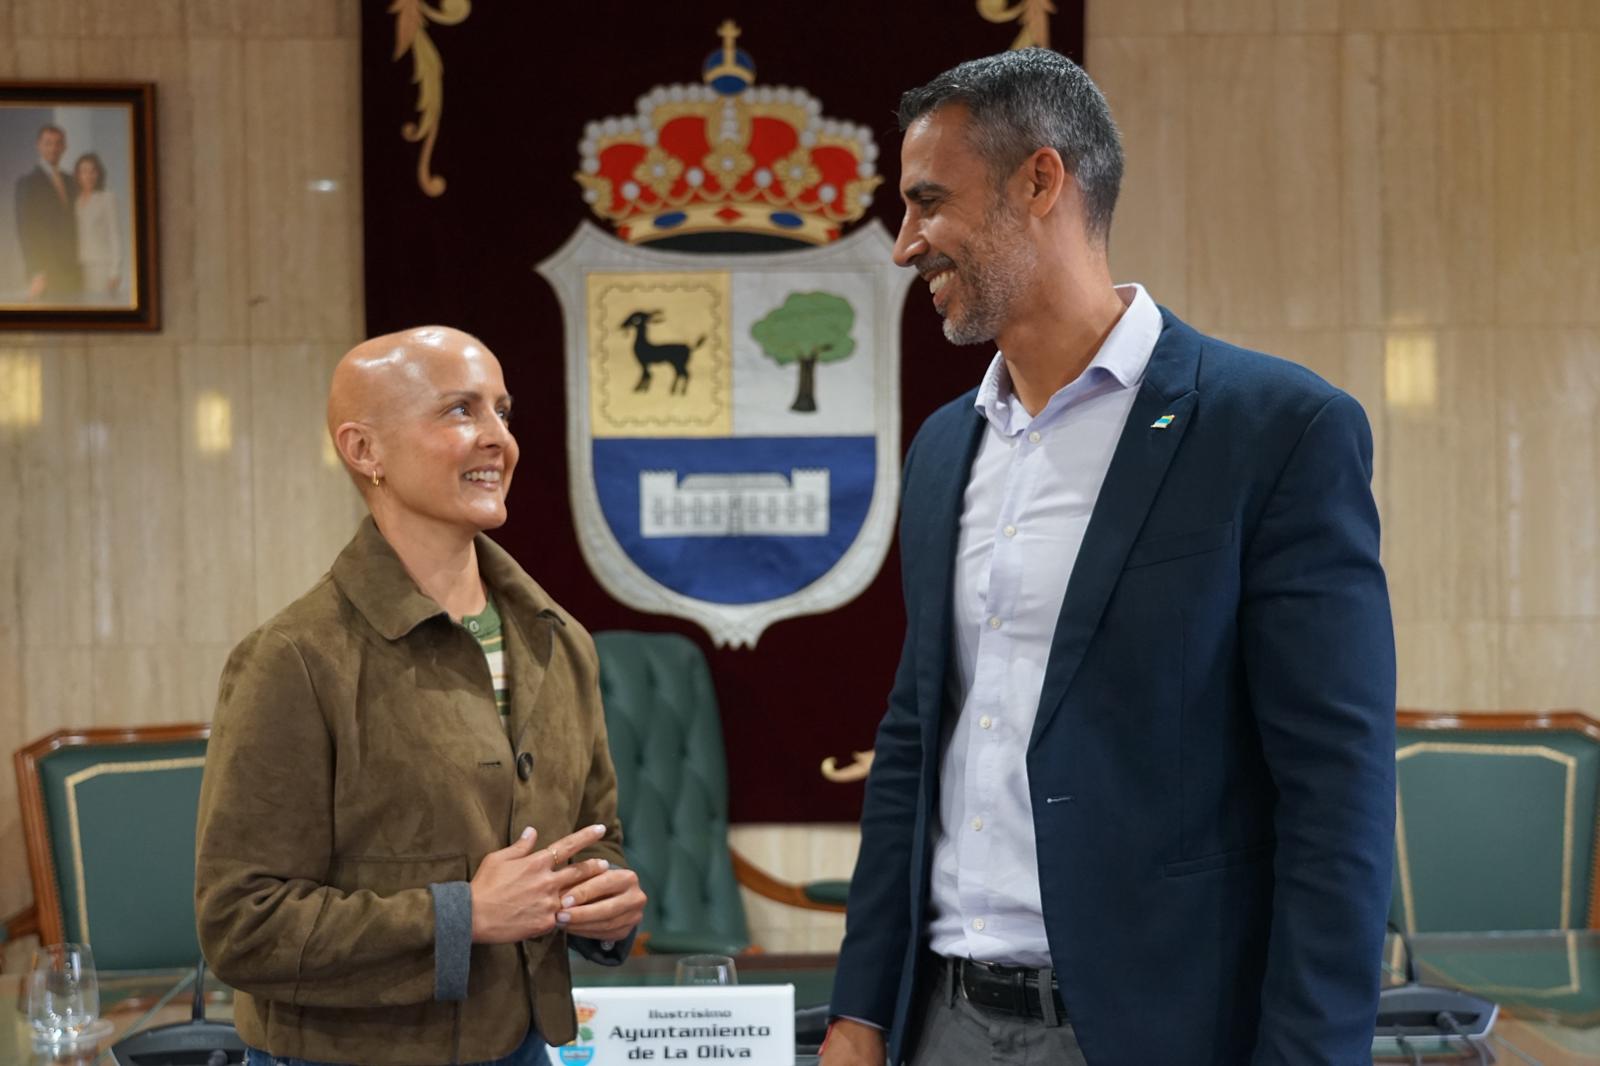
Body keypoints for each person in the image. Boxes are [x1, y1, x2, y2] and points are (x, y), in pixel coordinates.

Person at [822, 49, 1395, 1066]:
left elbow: (1335, 795)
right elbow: (915, 737)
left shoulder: (1277, 429)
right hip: (939, 1025)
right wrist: (860, 1010)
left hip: (1160, 1031)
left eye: (928, 201)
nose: (904, 243)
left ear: (1040, 181)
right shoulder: (945, 445)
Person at [195, 326, 646, 1066]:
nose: (499, 438)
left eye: (503, 411)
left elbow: (595, 838)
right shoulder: (292, 658)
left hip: (525, 1047)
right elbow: (241, 924)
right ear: (363, 450)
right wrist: (464, 916)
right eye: (460, 410)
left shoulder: (559, 640)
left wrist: (602, 902)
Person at [13, 124, 81, 300]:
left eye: (58, 143)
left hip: (74, 270)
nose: (53, 148)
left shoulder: (71, 181)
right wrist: (36, 271)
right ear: (38, 145)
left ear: (64, 147)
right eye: (48, 143)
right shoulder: (27, 183)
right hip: (45, 272)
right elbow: (25, 230)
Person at [73, 152, 121, 300]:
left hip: (101, 266)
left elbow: (115, 236)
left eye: (93, 171)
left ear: (99, 173)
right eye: (84, 171)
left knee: (100, 304)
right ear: (78, 175)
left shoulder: (107, 198)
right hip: (77, 267)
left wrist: (114, 272)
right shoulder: (74, 201)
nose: (89, 176)